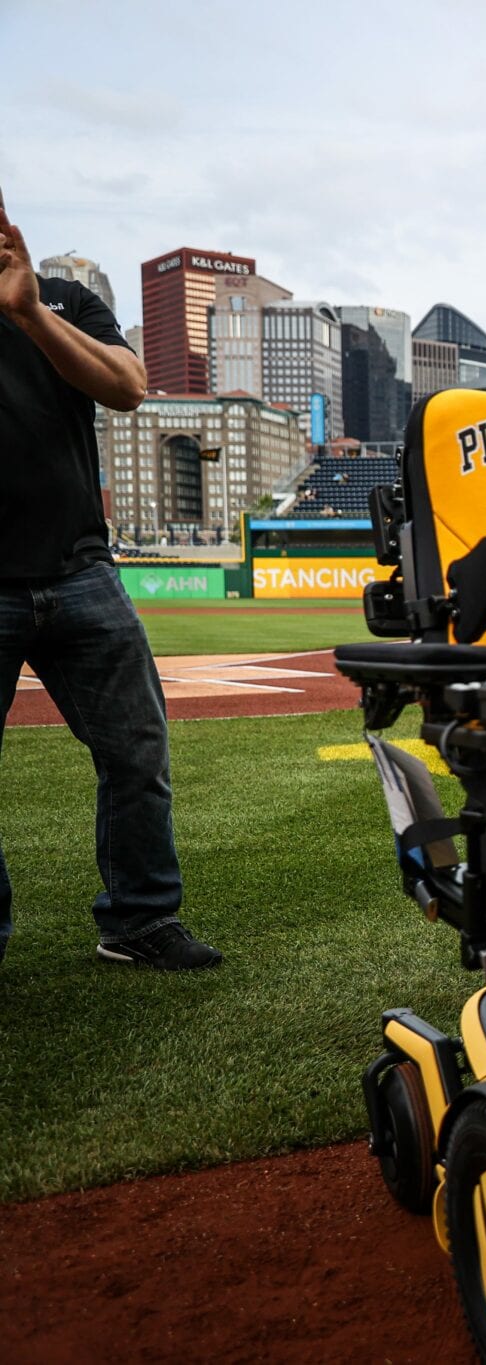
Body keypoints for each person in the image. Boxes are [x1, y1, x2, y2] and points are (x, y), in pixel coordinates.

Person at [0, 187, 221, 970]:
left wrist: (29, 312)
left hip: (79, 569)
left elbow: (128, 387)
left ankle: (139, 917)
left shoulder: (62, 296)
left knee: (137, 749)